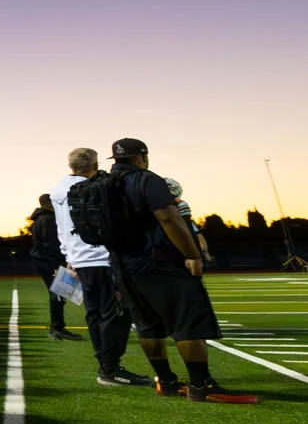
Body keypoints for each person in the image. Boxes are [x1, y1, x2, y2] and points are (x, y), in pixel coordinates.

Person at [106, 139, 255, 403]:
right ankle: (201, 385)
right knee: (189, 322)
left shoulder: (104, 184)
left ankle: (167, 382)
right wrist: (191, 254)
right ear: (143, 156)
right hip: (159, 262)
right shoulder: (147, 179)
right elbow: (168, 217)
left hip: (123, 265)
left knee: (147, 326)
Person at [52, 148, 149, 386]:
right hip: (103, 259)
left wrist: (69, 257)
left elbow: (61, 228)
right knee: (116, 314)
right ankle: (110, 369)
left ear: (70, 165)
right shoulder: (98, 187)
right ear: (95, 164)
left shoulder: (58, 190)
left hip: (79, 260)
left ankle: (106, 365)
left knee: (95, 314)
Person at [28, 196, 82, 340]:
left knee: (59, 294)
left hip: (44, 261)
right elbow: (50, 244)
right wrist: (56, 266)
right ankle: (57, 328)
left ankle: (57, 327)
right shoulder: (49, 219)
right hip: (50, 263)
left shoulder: (40, 219)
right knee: (58, 295)